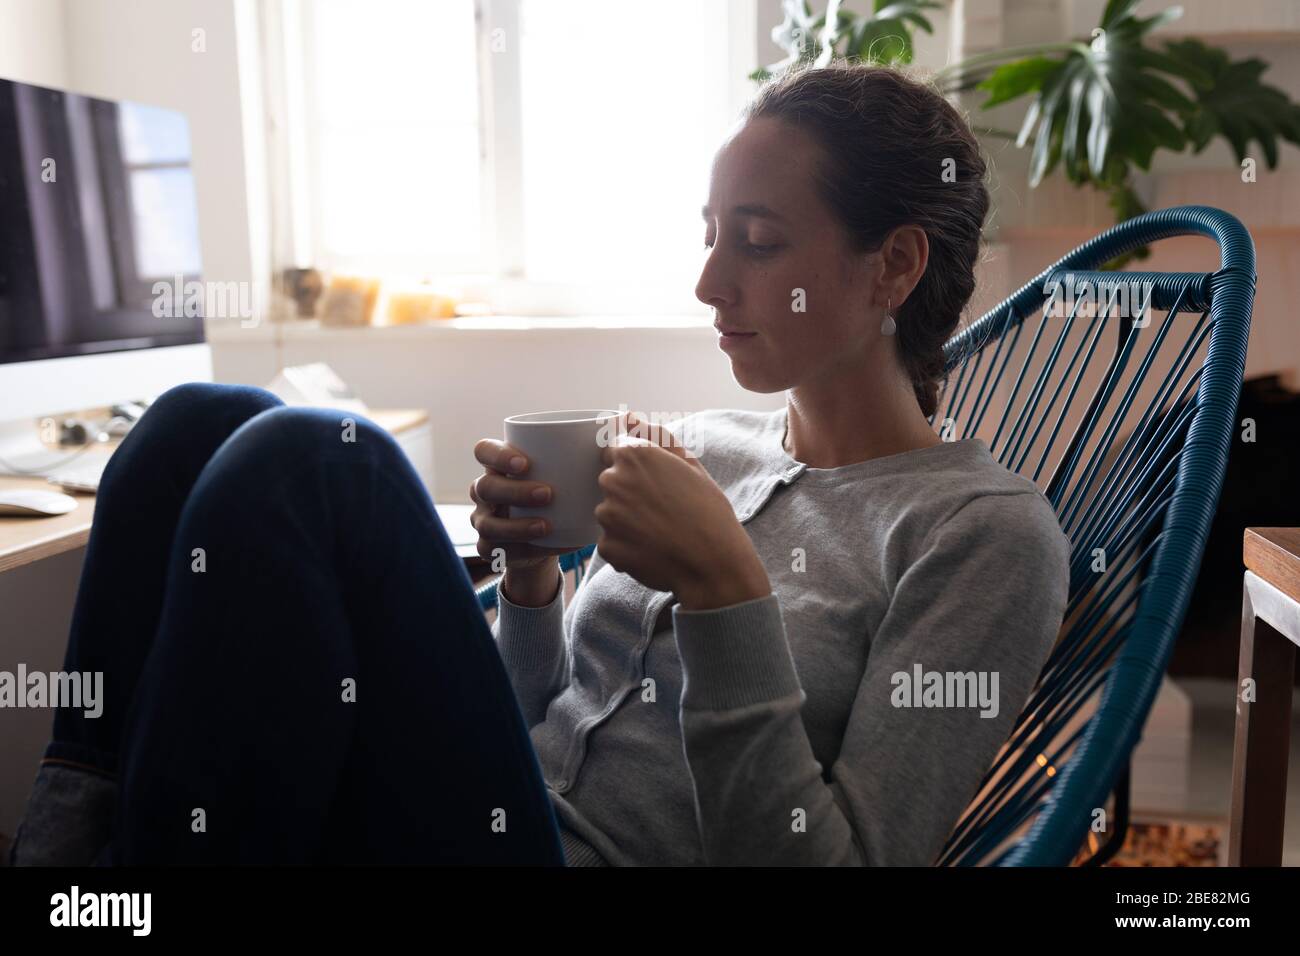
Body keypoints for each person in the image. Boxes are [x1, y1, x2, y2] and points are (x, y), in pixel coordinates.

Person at [10, 62, 1070, 867]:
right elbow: (524, 719)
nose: (707, 282)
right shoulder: (696, 446)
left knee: (310, 458)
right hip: (476, 814)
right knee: (197, 419)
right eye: (708, 234)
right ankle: (68, 862)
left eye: (755, 241)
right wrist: (529, 587)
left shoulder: (980, 534)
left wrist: (723, 591)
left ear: (891, 264)